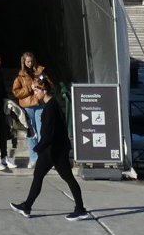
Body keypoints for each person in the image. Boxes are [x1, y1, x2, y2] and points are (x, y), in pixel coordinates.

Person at [9, 77, 90, 221]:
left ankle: (80, 209)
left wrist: (38, 148)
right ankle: (27, 206)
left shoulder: (50, 108)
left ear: (44, 90)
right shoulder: (51, 105)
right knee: (41, 176)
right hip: (54, 149)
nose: (35, 93)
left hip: (54, 150)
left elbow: (49, 134)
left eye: (36, 90)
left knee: (66, 178)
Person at [10, 53, 46, 167]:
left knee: (41, 131)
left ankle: (43, 157)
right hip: (28, 105)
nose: (30, 64)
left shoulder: (40, 71)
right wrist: (29, 88)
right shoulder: (20, 77)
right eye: (27, 62)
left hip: (40, 104)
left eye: (31, 61)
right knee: (31, 132)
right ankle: (33, 158)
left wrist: (39, 85)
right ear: (24, 62)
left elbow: (49, 85)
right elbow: (16, 92)